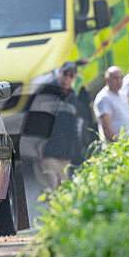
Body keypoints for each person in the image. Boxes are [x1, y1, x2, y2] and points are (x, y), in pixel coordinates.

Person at [35, 61, 78, 190]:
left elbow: (72, 127)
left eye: (71, 75)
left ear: (74, 78)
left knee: (64, 192)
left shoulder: (72, 96)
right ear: (59, 73)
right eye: (65, 74)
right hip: (46, 152)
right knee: (50, 190)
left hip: (64, 155)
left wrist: (72, 152)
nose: (67, 78)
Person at [93, 66, 129, 144]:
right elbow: (106, 128)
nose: (119, 81)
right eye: (115, 78)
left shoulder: (123, 94)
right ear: (107, 79)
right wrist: (118, 145)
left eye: (121, 78)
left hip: (128, 143)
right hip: (115, 147)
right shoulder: (104, 98)